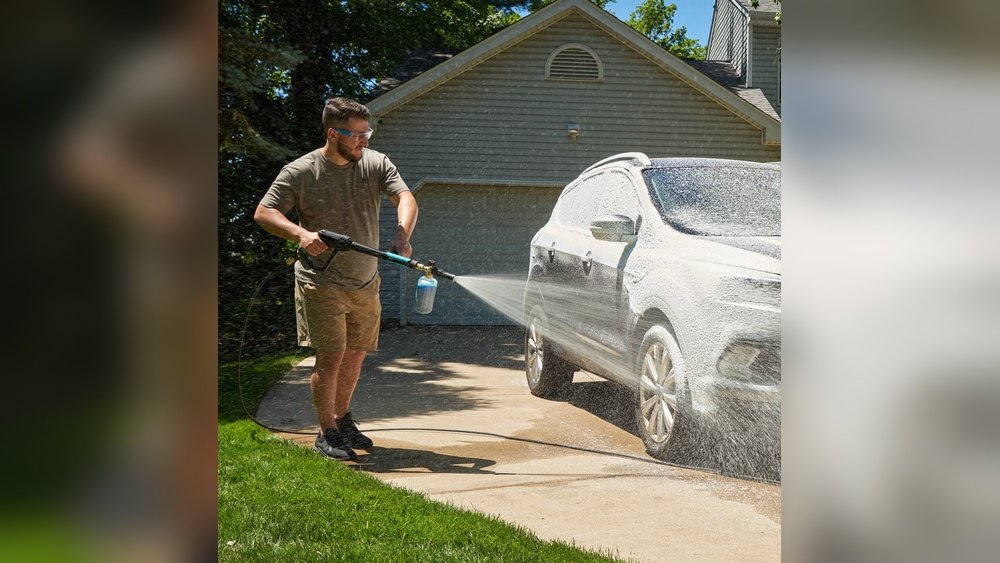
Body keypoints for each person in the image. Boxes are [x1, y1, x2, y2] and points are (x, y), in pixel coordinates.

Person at [254, 97, 417, 461]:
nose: (365, 141)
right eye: (357, 135)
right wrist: (299, 234)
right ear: (333, 133)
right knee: (331, 357)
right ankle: (325, 432)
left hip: (364, 280)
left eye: (367, 133)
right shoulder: (301, 171)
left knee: (356, 356)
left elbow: (405, 196)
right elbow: (264, 212)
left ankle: (343, 420)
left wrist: (402, 233)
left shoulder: (375, 163)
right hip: (321, 280)